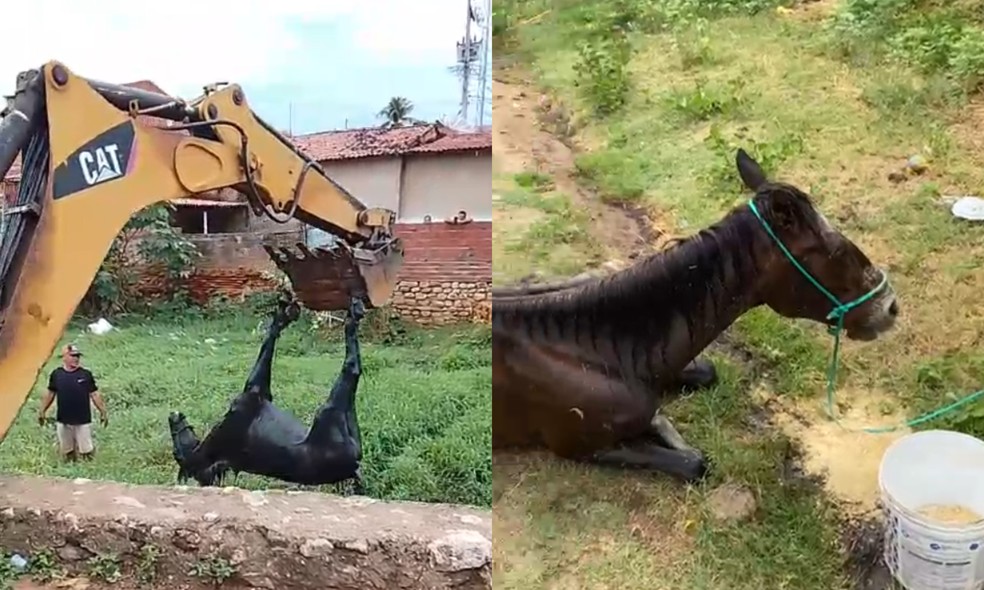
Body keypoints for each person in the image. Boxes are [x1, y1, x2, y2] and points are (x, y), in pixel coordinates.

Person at [38, 344, 109, 461]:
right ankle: (70, 472)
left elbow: (94, 394)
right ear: (64, 357)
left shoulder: (85, 374)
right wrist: (42, 411)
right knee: (67, 451)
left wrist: (103, 412)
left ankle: (89, 472)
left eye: (77, 356)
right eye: (73, 356)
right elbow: (50, 393)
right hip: (63, 419)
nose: (76, 359)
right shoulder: (57, 374)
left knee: (86, 451)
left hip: (82, 419)